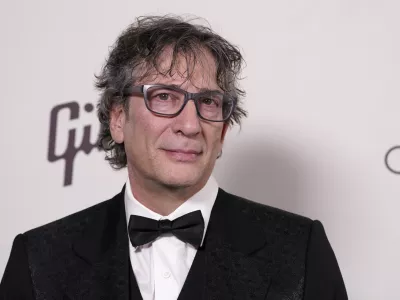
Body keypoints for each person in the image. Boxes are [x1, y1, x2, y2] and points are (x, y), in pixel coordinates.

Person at [0, 15, 348, 300]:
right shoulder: (39, 257)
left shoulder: (301, 249)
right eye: (164, 97)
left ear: (223, 130)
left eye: (208, 102)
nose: (191, 125)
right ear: (118, 119)